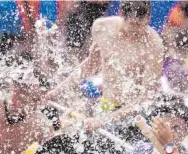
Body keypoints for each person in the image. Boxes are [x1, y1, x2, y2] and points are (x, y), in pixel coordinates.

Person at [47, 0, 164, 129]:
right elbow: (90, 65)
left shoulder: (154, 45)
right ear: (121, 15)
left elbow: (147, 95)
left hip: (131, 114)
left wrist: (104, 121)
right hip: (105, 105)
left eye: (140, 25)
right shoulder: (102, 27)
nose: (135, 32)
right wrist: (58, 91)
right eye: (132, 25)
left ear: (148, 18)